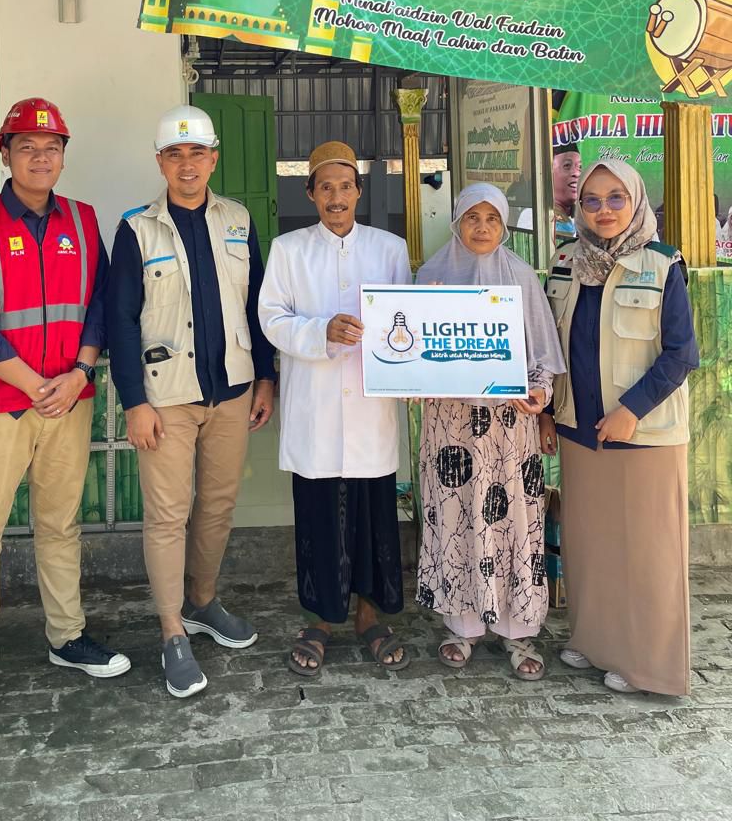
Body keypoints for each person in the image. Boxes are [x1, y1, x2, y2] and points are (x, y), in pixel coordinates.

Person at [0, 97, 128, 730]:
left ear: (62, 156)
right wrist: (35, 385)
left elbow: (99, 304)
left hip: (68, 401)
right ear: (6, 153)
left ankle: (66, 635)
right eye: (27, 146)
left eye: (51, 147)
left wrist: (78, 372)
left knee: (60, 524)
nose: (40, 156)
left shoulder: (83, 219)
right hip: (1, 405)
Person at [107, 105, 276, 699]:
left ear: (214, 157)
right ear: (160, 161)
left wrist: (266, 376)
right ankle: (172, 628)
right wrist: (134, 401)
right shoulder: (136, 229)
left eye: (197, 153)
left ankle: (203, 600)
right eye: (175, 154)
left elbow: (258, 304)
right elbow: (121, 320)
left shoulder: (237, 219)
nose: (186, 164)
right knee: (168, 514)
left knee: (219, 506)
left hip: (231, 390)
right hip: (166, 399)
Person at [541, 160, 698, 696]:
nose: (604, 210)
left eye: (616, 199)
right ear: (578, 208)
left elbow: (681, 354)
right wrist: (546, 413)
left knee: (647, 549)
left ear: (635, 202)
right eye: (592, 200)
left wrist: (632, 409)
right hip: (579, 428)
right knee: (592, 544)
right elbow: (549, 348)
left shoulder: (662, 264)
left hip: (643, 432)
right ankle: (595, 642)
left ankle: (648, 664)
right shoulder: (565, 263)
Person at [258, 141, 412, 677]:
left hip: (371, 410)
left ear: (359, 191)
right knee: (319, 520)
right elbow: (271, 318)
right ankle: (320, 620)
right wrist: (317, 331)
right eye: (325, 187)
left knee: (373, 519)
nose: (336, 196)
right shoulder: (288, 250)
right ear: (310, 193)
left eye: (345, 186)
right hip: (316, 409)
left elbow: (407, 323)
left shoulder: (390, 249)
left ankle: (370, 616)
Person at [416, 183, 564, 680]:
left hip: (507, 426)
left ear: (504, 226)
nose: (482, 227)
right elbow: (413, 349)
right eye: (472, 217)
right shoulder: (430, 275)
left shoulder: (521, 278)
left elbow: (542, 356)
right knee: (457, 517)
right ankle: (461, 625)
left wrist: (537, 393)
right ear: (456, 220)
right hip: (450, 424)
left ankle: (518, 630)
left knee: (513, 521)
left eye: (492, 219)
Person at [552, 144, 582, 239]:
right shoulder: (533, 215)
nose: (576, 173)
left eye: (580, 167)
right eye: (567, 166)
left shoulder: (580, 214)